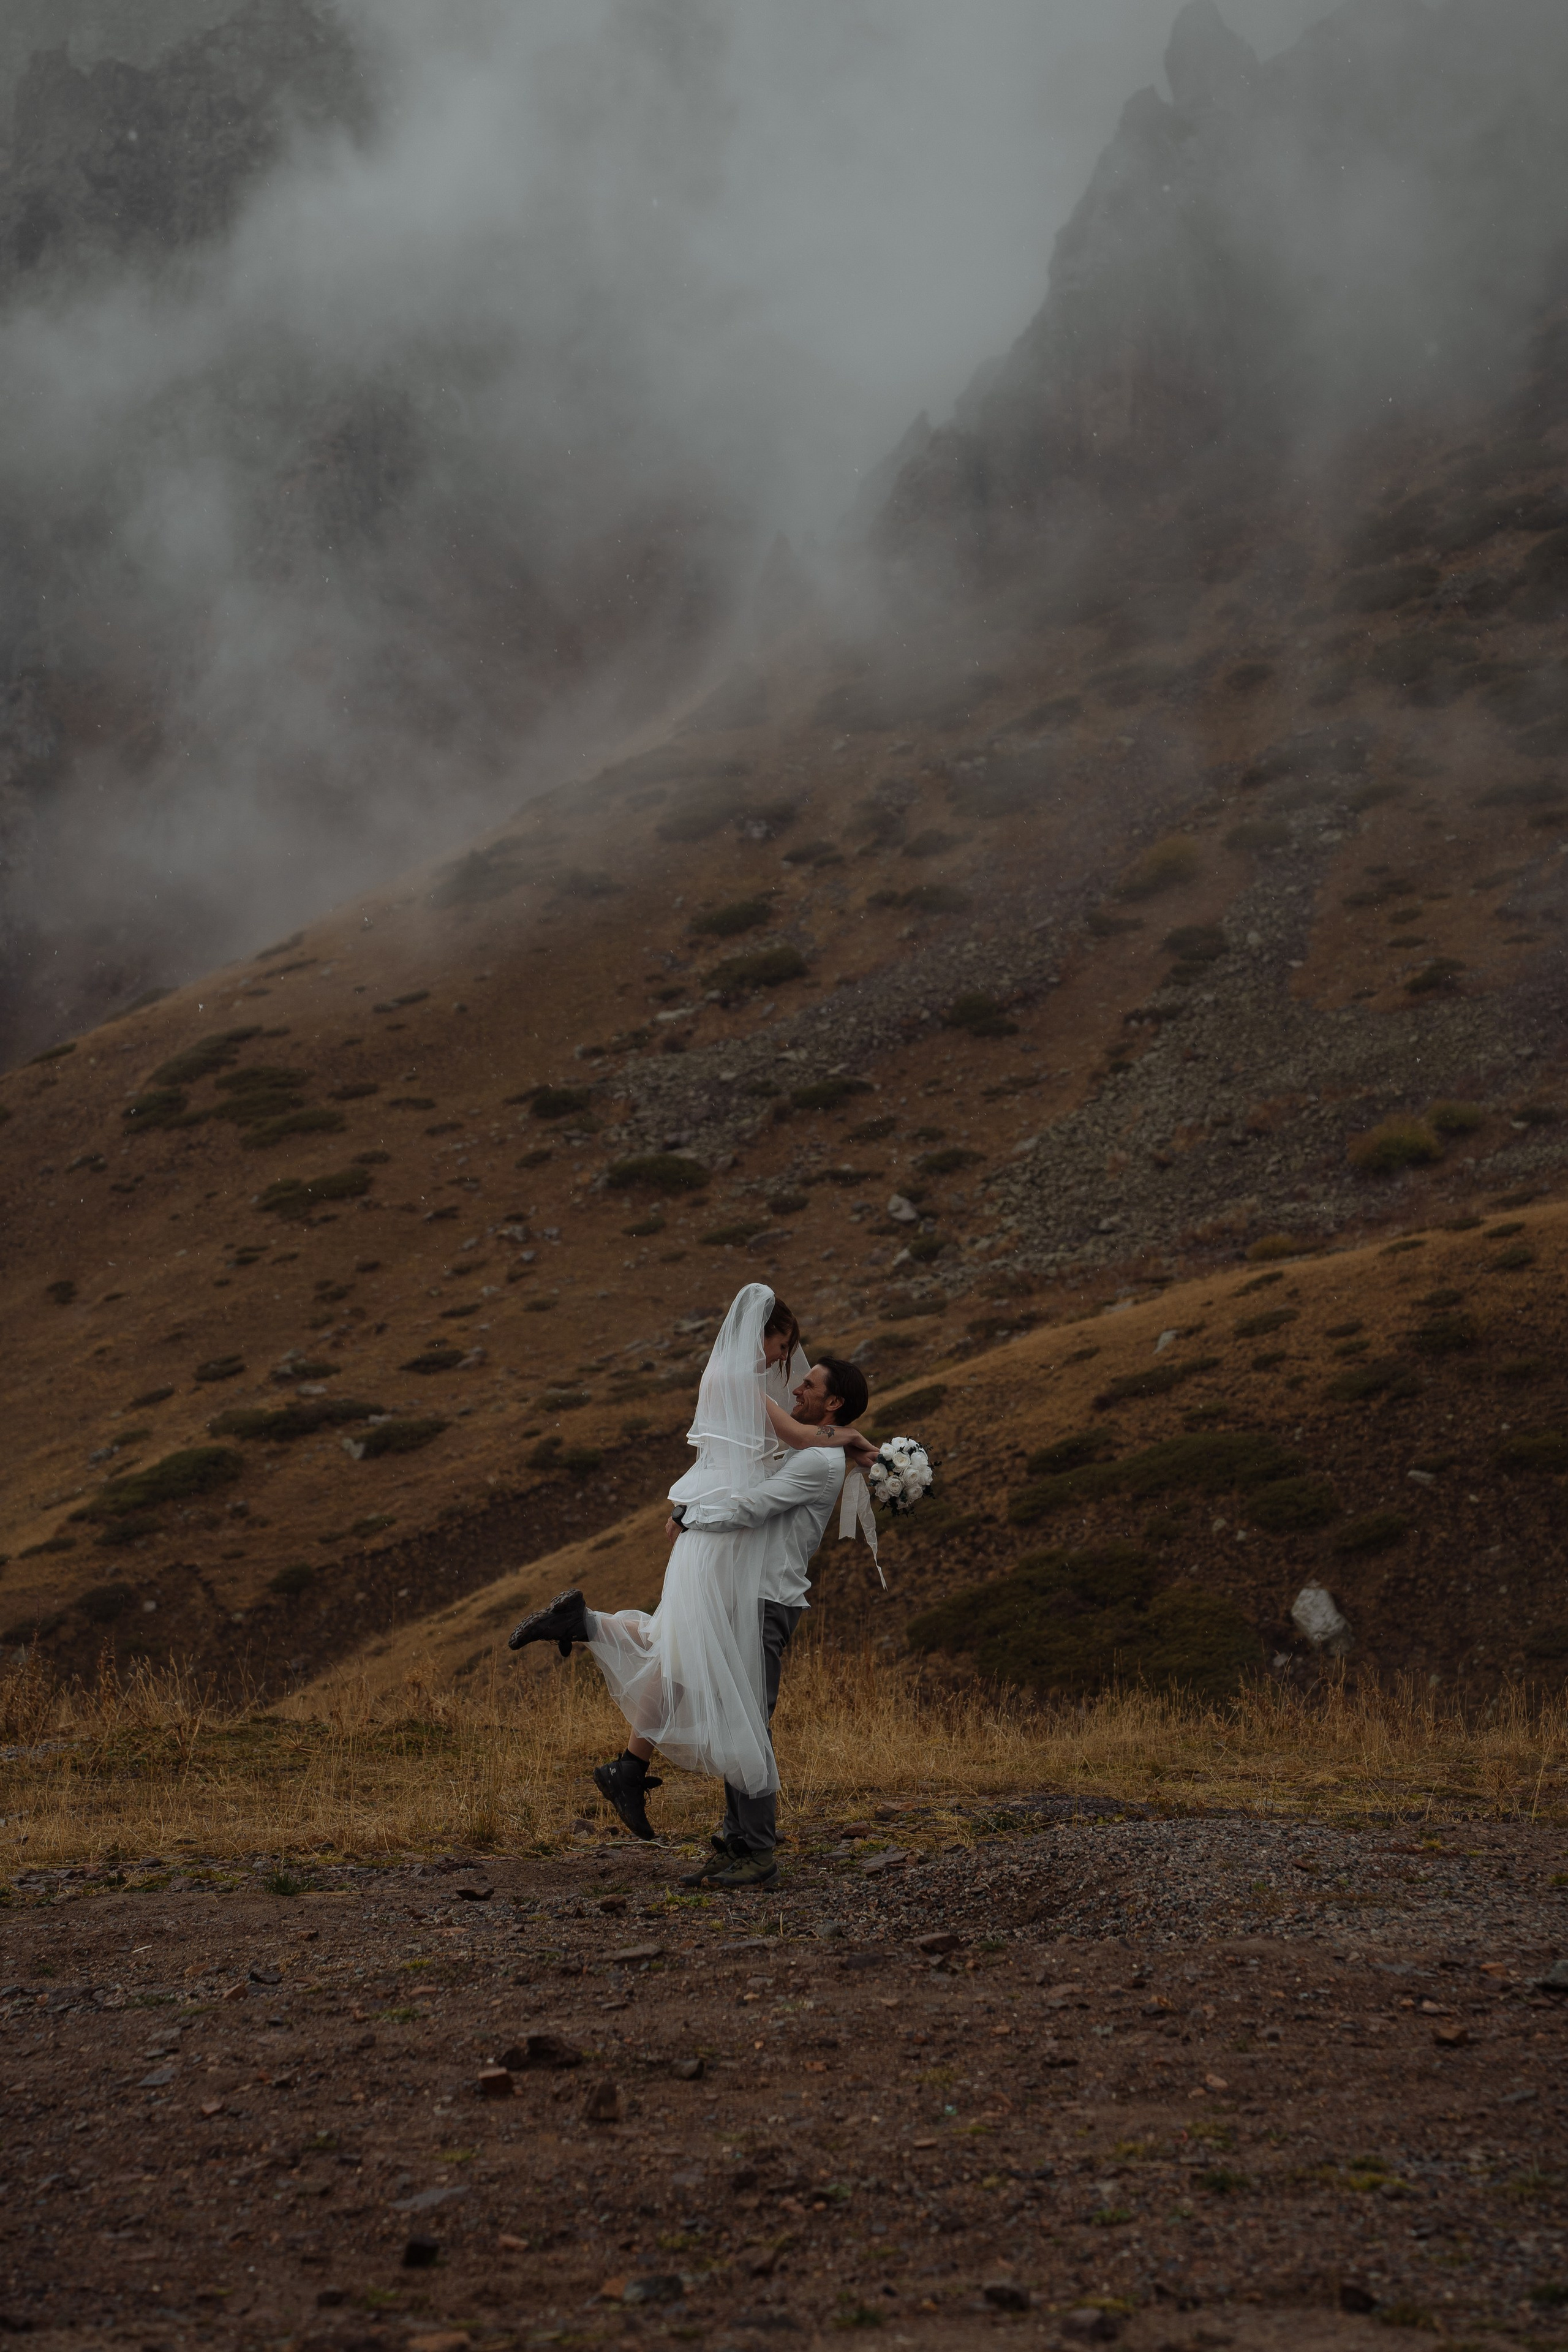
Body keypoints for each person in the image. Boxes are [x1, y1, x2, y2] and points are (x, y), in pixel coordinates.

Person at [507, 1284, 874, 1888]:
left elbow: (754, 1506)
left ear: (832, 1403)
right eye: (789, 1361)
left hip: (766, 1601)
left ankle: (749, 1849)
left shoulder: (813, 1457)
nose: (796, 1379)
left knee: (740, 1716)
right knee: (725, 1702)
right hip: (748, 1594)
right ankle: (736, 1840)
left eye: (808, 1383)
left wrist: (690, 1518)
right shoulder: (794, 1434)